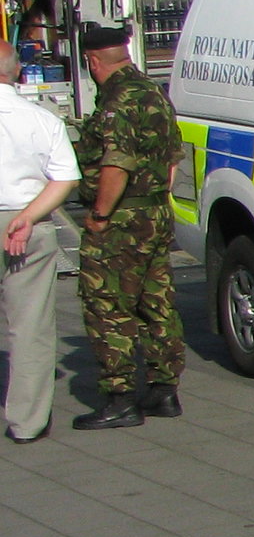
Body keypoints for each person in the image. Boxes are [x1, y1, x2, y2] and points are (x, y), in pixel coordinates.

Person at [71, 24, 183, 431]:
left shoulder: (117, 102)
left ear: (92, 60)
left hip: (121, 219)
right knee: (157, 301)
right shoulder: (153, 92)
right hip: (155, 212)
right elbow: (173, 158)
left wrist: (101, 215)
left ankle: (119, 398)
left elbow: (116, 164)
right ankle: (163, 388)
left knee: (108, 304)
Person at [0, 48, 78, 443]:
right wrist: (28, 217)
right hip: (24, 223)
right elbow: (64, 178)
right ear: (18, 74)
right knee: (29, 325)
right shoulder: (42, 119)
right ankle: (27, 422)